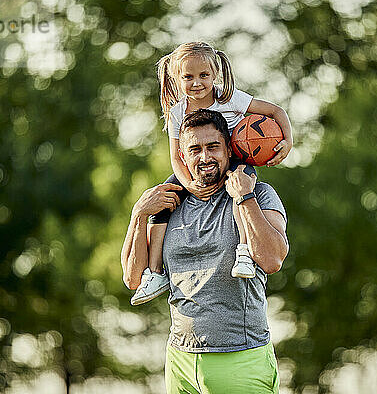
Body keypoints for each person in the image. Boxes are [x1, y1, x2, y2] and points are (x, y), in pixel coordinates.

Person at [121, 109, 289, 393]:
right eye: (195, 149)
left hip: (240, 358)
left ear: (228, 148)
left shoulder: (258, 193)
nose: (205, 157)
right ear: (183, 156)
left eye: (213, 147)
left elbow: (272, 260)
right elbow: (133, 278)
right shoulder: (167, 203)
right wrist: (138, 214)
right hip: (180, 361)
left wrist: (245, 197)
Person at [130, 41, 293, 305]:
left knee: (241, 192)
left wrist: (287, 140)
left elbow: (276, 111)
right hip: (193, 171)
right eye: (188, 76)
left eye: (204, 75)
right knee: (162, 201)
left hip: (233, 161)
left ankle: (244, 252)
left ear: (215, 73)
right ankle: (156, 271)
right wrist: (189, 185)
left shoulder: (229, 98)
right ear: (176, 78)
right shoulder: (176, 112)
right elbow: (176, 156)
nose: (197, 82)